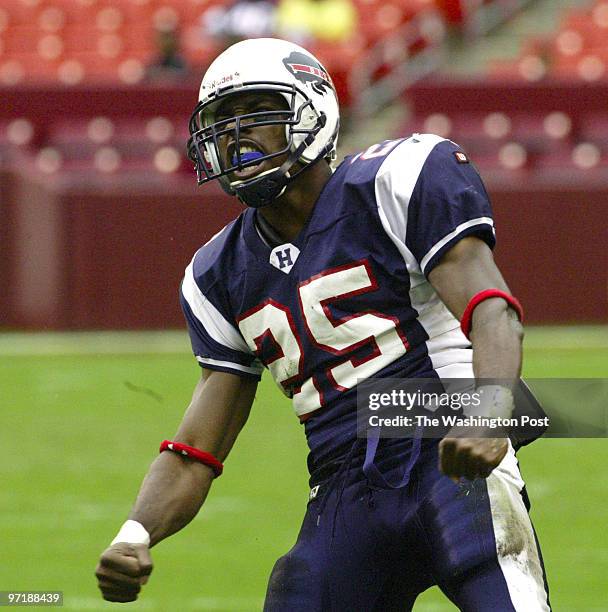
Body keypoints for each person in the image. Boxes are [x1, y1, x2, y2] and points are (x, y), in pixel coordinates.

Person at [95, 38, 551, 610]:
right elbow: (197, 446)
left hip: (448, 447)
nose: (236, 136)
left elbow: (491, 306)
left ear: (311, 110)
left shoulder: (395, 178)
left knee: (498, 583)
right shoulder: (218, 272)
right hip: (344, 488)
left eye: (256, 113)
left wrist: (489, 410)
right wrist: (135, 534)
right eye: (222, 121)